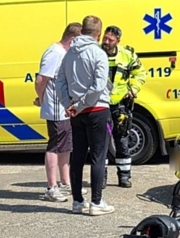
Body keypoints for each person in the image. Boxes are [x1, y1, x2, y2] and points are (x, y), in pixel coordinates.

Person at [55, 15, 114, 216]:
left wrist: (69, 104)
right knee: (98, 156)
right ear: (98, 34)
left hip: (76, 113)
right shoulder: (98, 54)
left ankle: (78, 201)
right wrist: (80, 105)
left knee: (78, 156)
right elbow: (98, 86)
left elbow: (59, 81)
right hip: (97, 110)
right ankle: (96, 202)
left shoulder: (69, 53)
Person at [35, 22, 82, 202]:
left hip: (64, 107)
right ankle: (51, 187)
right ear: (73, 39)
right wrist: (41, 99)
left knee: (66, 145)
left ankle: (65, 182)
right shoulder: (54, 53)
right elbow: (41, 80)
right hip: (55, 107)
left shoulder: (64, 53)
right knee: (55, 145)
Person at [101, 25, 145, 188]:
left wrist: (133, 89)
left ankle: (124, 176)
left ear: (118, 41)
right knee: (102, 141)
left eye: (110, 40)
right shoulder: (97, 53)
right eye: (105, 38)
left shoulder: (128, 54)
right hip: (101, 103)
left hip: (120, 104)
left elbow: (140, 73)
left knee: (122, 140)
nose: (106, 42)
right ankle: (101, 176)